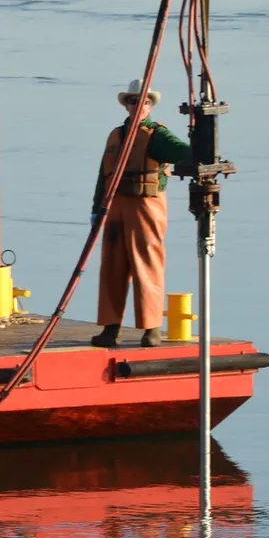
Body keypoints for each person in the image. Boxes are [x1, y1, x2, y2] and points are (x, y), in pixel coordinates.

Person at [90, 79, 191, 348]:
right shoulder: (116, 135)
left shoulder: (157, 135)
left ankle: (151, 329)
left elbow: (183, 152)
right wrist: (97, 210)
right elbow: (103, 175)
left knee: (147, 264)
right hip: (114, 205)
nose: (139, 105)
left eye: (145, 101)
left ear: (151, 105)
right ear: (127, 105)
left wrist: (200, 149)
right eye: (134, 101)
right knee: (112, 266)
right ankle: (111, 328)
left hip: (145, 205)